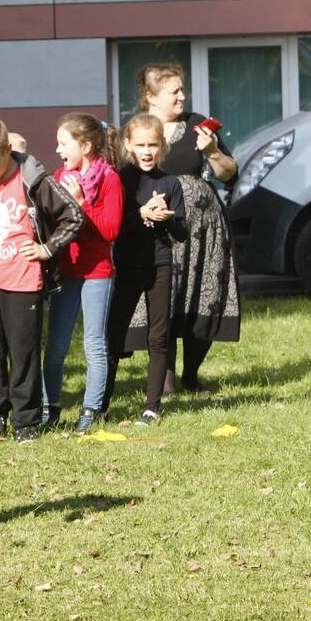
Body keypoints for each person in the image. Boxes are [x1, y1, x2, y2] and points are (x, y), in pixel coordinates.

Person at [0, 114, 84, 443]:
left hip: (24, 280)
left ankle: (27, 423)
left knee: (23, 353)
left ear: (8, 149)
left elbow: (73, 216)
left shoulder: (33, 179)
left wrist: (47, 249)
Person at [135, 63, 240, 394]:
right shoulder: (138, 131)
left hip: (202, 232)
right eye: (174, 91)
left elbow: (229, 173)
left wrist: (212, 153)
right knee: (161, 304)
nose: (183, 96)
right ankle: (164, 384)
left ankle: (191, 376)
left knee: (201, 300)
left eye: (183, 89)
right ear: (150, 96)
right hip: (155, 231)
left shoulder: (197, 126)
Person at [102, 114, 188, 426]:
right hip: (126, 266)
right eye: (141, 145)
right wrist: (141, 213)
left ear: (162, 146)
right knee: (114, 335)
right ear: (128, 146)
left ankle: (152, 406)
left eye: (153, 144)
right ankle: (101, 404)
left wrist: (167, 218)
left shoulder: (170, 183)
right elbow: (114, 227)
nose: (147, 151)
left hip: (160, 265)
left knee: (159, 336)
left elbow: (182, 232)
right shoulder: (120, 180)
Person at [41, 114, 124, 435]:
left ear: (85, 146)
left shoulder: (110, 180)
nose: (58, 149)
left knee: (94, 344)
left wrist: (81, 204)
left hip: (97, 274)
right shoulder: (60, 175)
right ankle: (51, 407)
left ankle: (91, 410)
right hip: (66, 272)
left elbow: (110, 230)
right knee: (56, 346)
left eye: (64, 143)